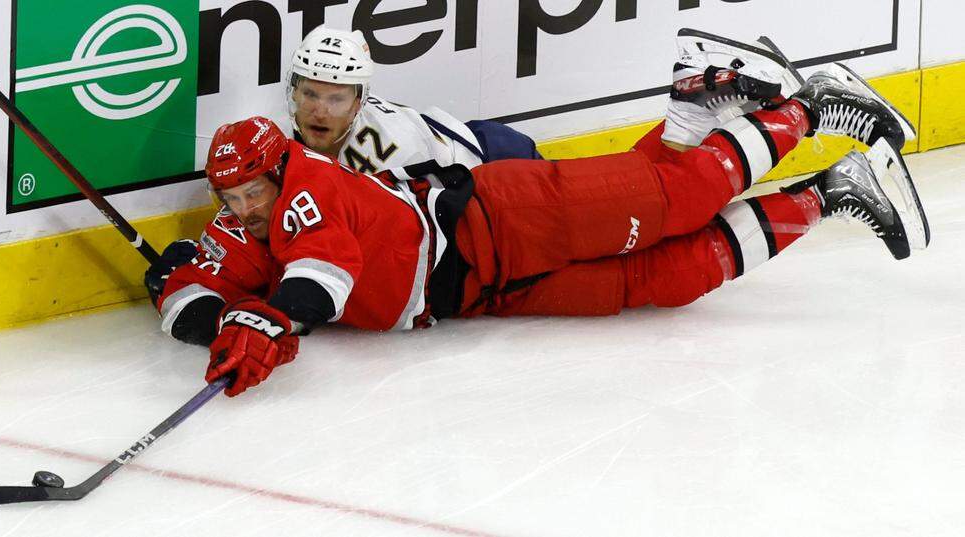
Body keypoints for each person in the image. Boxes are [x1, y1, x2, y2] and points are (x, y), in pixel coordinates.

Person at [147, 57, 928, 398]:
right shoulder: (246, 218)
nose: (241, 207)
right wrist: (188, 293)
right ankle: (832, 192)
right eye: (230, 196)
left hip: (499, 215)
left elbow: (320, 276)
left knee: (681, 198)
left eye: (251, 189)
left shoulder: (306, 189)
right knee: (672, 279)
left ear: (279, 170)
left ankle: (813, 104)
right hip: (472, 294)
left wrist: (269, 317)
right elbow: (195, 292)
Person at [285, 25, 542, 173]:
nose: (320, 111)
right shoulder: (277, 135)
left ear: (357, 104)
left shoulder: (390, 156)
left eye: (335, 99)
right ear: (294, 91)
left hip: (495, 163)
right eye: (310, 94)